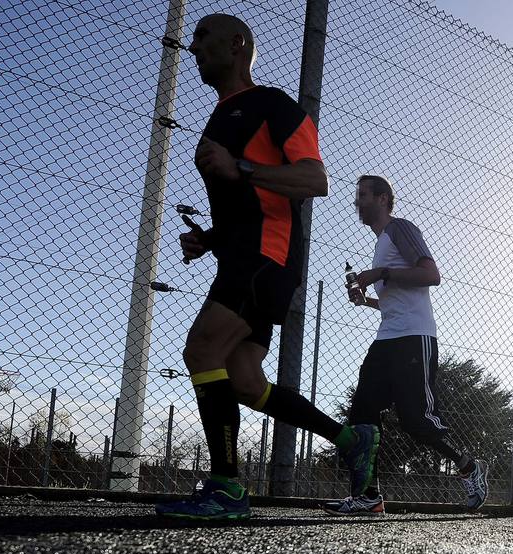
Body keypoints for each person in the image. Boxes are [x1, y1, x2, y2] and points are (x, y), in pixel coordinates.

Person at [155, 14, 377, 521]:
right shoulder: (219, 116)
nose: (194, 48)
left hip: (266, 256)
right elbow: (243, 203)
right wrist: (208, 239)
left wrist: (243, 168)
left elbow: (314, 179)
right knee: (244, 380)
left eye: (202, 38)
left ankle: (227, 488)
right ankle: (349, 439)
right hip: (241, 254)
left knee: (202, 347)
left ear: (237, 45)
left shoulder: (272, 105)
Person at [326, 175, 487, 515]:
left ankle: (468, 466)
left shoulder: (400, 229)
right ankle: (369, 495)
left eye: (364, 195)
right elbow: (394, 302)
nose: (358, 202)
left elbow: (431, 275)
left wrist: (381, 273)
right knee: (362, 414)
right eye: (357, 196)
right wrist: (366, 299)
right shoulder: (381, 241)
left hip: (415, 338)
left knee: (416, 421)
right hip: (387, 338)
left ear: (383, 199)